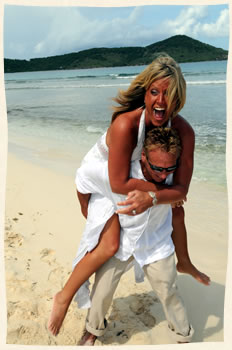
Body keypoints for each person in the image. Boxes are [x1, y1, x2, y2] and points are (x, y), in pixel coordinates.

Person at [48, 54, 210, 336]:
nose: (161, 101)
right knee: (109, 248)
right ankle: (69, 302)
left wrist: (160, 197)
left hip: (133, 186)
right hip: (103, 180)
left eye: (168, 94)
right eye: (154, 92)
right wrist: (159, 194)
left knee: (176, 212)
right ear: (145, 93)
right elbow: (118, 181)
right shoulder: (126, 125)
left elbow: (182, 190)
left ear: (179, 98)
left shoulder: (184, 131)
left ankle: (182, 288)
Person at [78, 127, 194, 345]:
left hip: (156, 243)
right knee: (101, 291)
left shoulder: (174, 180)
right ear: (143, 156)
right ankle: (93, 329)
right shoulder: (122, 173)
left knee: (169, 291)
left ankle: (183, 337)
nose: (163, 174)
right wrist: (88, 213)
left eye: (169, 168)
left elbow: (180, 206)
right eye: (157, 167)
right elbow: (83, 178)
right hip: (123, 240)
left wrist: (184, 258)